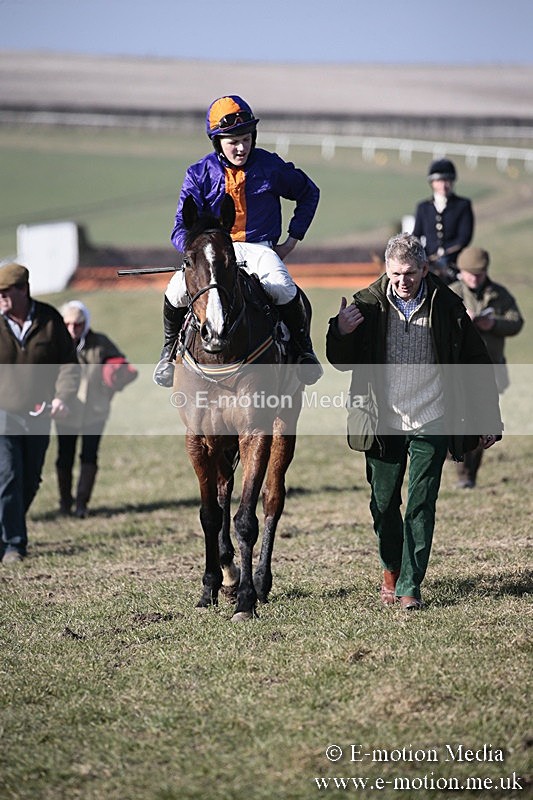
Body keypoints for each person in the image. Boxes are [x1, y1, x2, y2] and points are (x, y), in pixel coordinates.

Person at [326, 233, 503, 610]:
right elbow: (340, 360)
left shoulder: (449, 307)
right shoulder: (367, 305)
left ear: (424, 269)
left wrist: (488, 417)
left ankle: (409, 585)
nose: (402, 281)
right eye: (394, 274)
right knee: (383, 502)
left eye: (409, 273)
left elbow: (477, 363)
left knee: (422, 502)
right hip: (383, 421)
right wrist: (340, 330)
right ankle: (391, 568)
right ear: (386, 271)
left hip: (432, 418)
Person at [154, 94, 322, 388]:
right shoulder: (198, 174)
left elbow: (309, 192)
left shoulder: (271, 166)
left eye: (245, 138)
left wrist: (292, 239)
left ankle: (303, 351)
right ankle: (169, 353)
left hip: (259, 250)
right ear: (217, 142)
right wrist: (196, 253)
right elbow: (180, 227)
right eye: (233, 141)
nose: (241, 147)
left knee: (283, 288)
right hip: (212, 255)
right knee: (175, 291)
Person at [0, 263, 79, 564]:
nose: (2, 299)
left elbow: (69, 364)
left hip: (38, 412)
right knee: (8, 474)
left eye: (6, 292)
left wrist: (63, 397)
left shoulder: (49, 320)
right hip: (3, 412)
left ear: (24, 290)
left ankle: (5, 531)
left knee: (30, 479)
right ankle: (14, 544)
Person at [449, 246, 524, 488]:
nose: (474, 278)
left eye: (479, 273)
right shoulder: (452, 293)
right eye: (470, 273)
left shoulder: (500, 294)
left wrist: (493, 324)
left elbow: (516, 322)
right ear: (461, 272)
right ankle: (459, 468)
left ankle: (470, 475)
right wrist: (464, 321)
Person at [55, 301, 138, 518]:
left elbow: (123, 366)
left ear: (86, 323)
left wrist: (113, 381)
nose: (74, 329)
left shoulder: (100, 342)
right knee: (65, 455)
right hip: (67, 411)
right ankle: (65, 503)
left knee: (89, 455)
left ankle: (82, 503)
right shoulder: (57, 343)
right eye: (69, 324)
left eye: (79, 324)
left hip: (95, 411)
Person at [412, 158, 474, 283]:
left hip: (454, 263)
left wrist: (444, 255)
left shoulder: (462, 205)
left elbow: (464, 238)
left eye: (447, 180)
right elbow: (416, 235)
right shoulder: (423, 207)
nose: (443, 185)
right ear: (432, 182)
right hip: (429, 262)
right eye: (439, 181)